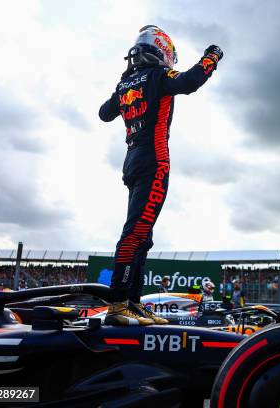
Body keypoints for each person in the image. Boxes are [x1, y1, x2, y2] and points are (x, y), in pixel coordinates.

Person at [99, 25, 223, 326]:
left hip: (131, 161)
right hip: (155, 161)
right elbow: (191, 81)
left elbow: (104, 113)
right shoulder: (158, 76)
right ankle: (118, 304)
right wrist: (212, 56)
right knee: (136, 233)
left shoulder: (125, 83)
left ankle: (132, 303)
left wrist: (125, 89)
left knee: (143, 236)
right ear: (163, 51)